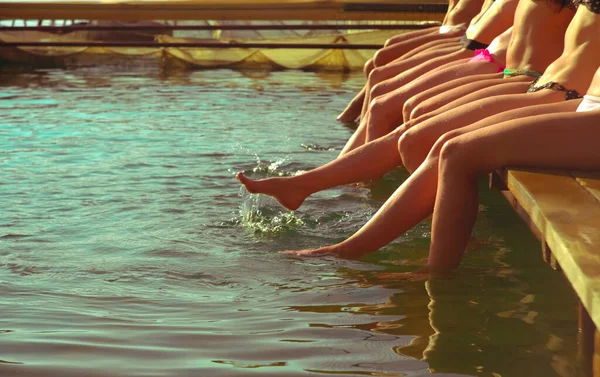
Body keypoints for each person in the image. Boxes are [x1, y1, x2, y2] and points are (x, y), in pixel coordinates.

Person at [238, 2, 600, 273]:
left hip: (555, 89)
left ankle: (433, 268)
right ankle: (326, 207)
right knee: (434, 139)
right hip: (545, 84)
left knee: (448, 147)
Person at [341, 0, 574, 154]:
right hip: (485, 53)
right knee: (383, 83)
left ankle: (359, 174)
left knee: (391, 99)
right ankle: (352, 157)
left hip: (495, 59)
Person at [337, 0, 490, 123]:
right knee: (376, 63)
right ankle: (357, 122)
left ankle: (355, 123)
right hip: (455, 30)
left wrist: (464, 33)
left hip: (468, 38)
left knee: (381, 64)